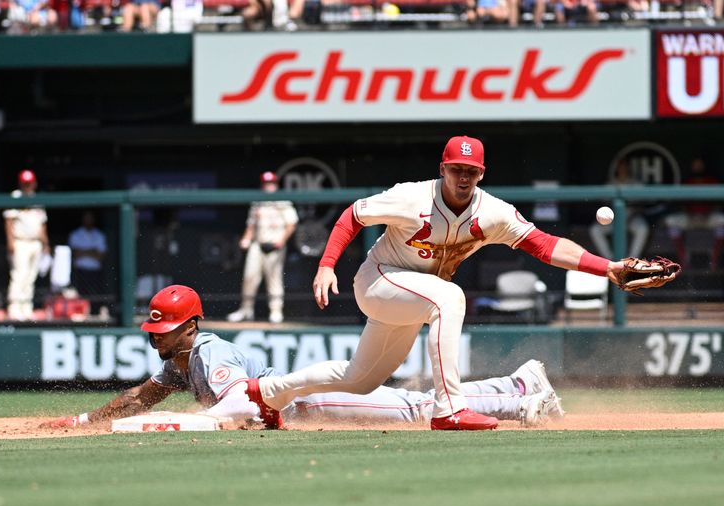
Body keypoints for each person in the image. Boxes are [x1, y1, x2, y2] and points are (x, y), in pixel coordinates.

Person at [245, 135, 633, 432]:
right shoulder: (411, 197)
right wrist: (327, 265)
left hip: (412, 296)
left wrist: (608, 268)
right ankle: (448, 410)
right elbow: (353, 215)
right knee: (449, 298)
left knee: (359, 380)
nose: (463, 177)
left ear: (481, 174)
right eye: (455, 169)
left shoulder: (493, 212)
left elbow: (544, 244)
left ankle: (268, 393)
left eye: (471, 171)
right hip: (379, 279)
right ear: (442, 168)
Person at [41, 285, 565, 430]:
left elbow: (239, 408)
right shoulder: (178, 362)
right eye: (155, 328)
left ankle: (516, 399)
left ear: (191, 326)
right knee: (416, 402)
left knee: (416, 408)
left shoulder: (209, 352)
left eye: (166, 328)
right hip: (299, 403)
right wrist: (87, 418)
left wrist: (183, 423)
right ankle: (515, 385)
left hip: (305, 404)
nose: (157, 336)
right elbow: (143, 393)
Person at [227, 171, 298, 324]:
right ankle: (246, 310)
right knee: (249, 278)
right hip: (258, 245)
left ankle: (276, 311)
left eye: (271, 183)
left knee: (274, 280)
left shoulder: (283, 202)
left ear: (276, 185)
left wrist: (281, 240)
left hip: (275, 246)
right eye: (266, 183)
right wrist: (246, 238)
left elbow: (291, 224)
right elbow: (251, 225)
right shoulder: (258, 202)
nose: (268, 186)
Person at [3, 169, 49, 321]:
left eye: (29, 183)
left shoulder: (37, 200)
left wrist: (45, 243)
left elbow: (42, 224)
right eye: (25, 183)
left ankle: (26, 309)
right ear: (20, 183)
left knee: (30, 277)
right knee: (19, 275)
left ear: (34, 183)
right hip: (20, 241)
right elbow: (9, 220)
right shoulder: (15, 196)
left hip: (35, 242)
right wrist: (10, 242)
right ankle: (14, 309)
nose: (27, 186)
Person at [662, 157, 724, 270]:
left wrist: (711, 210)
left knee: (722, 221)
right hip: (690, 218)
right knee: (670, 221)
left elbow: (719, 203)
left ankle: (714, 258)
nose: (697, 167)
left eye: (700, 165)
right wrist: (687, 211)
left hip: (708, 218)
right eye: (695, 165)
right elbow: (679, 203)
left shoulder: (712, 181)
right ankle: (683, 258)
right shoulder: (687, 182)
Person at [589, 159, 650, 259]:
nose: (623, 170)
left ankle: (632, 260)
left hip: (632, 217)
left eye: (625, 167)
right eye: (620, 168)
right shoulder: (610, 184)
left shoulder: (636, 184)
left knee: (643, 228)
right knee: (595, 229)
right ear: (617, 169)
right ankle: (610, 259)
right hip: (613, 219)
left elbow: (645, 201)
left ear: (628, 169)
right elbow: (601, 199)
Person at [68, 210, 107, 313]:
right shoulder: (76, 234)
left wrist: (83, 251)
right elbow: (76, 254)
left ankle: (94, 312)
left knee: (94, 296)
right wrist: (92, 250)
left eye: (90, 218)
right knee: (80, 295)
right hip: (80, 271)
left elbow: (100, 256)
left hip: (95, 272)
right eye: (86, 218)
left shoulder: (99, 235)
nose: (88, 220)